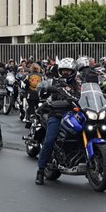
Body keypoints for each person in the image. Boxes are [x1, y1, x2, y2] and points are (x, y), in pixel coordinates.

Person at [36, 57, 80, 185]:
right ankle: (40, 171)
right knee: (50, 140)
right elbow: (41, 86)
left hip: (75, 114)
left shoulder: (78, 84)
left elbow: (88, 94)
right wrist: (45, 88)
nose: (66, 73)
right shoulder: (54, 82)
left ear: (74, 71)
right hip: (57, 114)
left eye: (68, 71)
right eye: (63, 71)